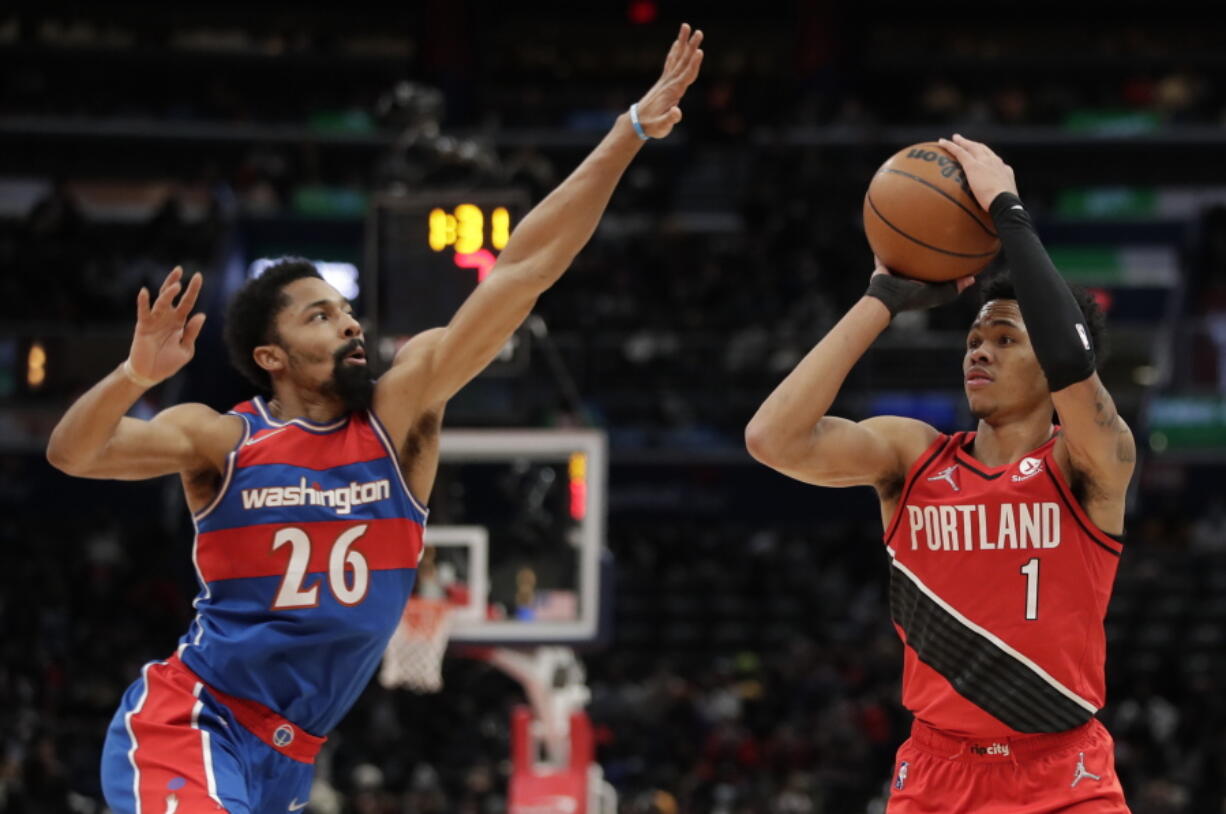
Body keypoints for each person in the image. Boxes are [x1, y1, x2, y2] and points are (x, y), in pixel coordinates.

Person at [46, 24, 704, 814]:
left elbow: (525, 267)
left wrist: (627, 131)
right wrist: (132, 375)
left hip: (290, 756)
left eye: (347, 311)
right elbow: (73, 453)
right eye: (321, 317)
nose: (351, 325)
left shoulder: (400, 415)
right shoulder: (222, 440)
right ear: (271, 357)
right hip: (191, 721)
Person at [745, 134, 1135, 813]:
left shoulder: (1089, 464)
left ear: (1046, 355)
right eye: (975, 339)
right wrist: (881, 298)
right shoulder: (913, 456)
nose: (979, 352)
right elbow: (772, 438)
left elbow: (1074, 364)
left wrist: (1008, 213)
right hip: (936, 774)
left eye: (1005, 339)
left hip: (1063, 776)